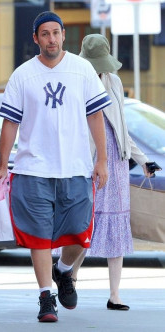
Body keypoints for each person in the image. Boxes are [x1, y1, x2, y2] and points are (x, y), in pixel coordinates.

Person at [0, 12, 111, 322]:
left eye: (56, 33)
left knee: (79, 234)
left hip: (75, 167)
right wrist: (4, 165)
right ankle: (46, 297)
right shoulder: (22, 75)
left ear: (63, 36)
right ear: (36, 38)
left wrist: (101, 160)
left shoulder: (82, 69)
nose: (51, 39)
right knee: (39, 235)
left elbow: (96, 116)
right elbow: (10, 123)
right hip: (33, 169)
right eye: (44, 34)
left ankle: (64, 270)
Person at [72, 34, 154, 311]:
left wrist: (142, 159)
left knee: (115, 227)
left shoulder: (114, 81)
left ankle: (115, 294)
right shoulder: (77, 82)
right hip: (86, 163)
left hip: (116, 164)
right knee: (84, 225)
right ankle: (69, 279)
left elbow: (121, 128)